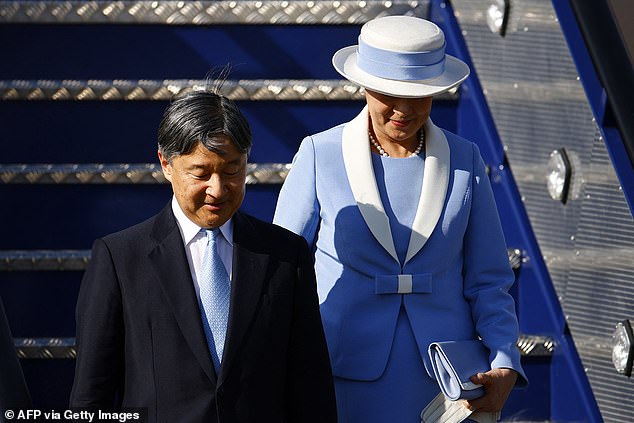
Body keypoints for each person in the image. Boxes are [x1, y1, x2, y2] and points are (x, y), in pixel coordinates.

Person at [273, 15, 527, 422]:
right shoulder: (319, 154)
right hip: (340, 372)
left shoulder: (466, 159)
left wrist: (503, 359)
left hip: (449, 382)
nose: (404, 110)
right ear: (364, 86)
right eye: (389, 93)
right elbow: (279, 269)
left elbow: (490, 279)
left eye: (420, 95)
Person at [70, 88, 338, 423]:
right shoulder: (120, 259)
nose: (217, 189)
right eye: (200, 173)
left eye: (231, 171)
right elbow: (91, 395)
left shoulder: (284, 256)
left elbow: (310, 387)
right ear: (167, 164)